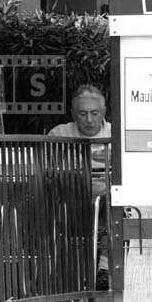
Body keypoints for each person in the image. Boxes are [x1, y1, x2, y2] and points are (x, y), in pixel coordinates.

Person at [48, 84, 112, 289]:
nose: (89, 120)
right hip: (71, 201)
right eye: (83, 114)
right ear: (73, 113)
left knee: (115, 200)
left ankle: (105, 269)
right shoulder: (60, 133)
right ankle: (70, 278)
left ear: (104, 112)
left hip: (108, 199)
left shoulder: (115, 132)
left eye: (95, 113)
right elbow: (47, 170)